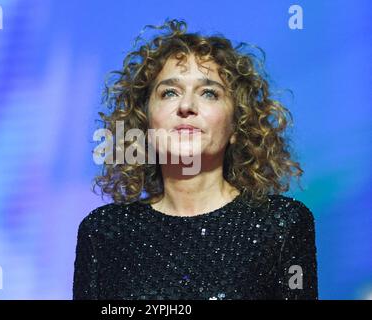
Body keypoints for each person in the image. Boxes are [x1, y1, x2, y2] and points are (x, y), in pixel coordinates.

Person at [73, 19, 318, 300]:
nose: (187, 106)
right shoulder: (104, 232)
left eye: (209, 93)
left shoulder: (282, 224)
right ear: (145, 124)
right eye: (170, 93)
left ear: (237, 126)